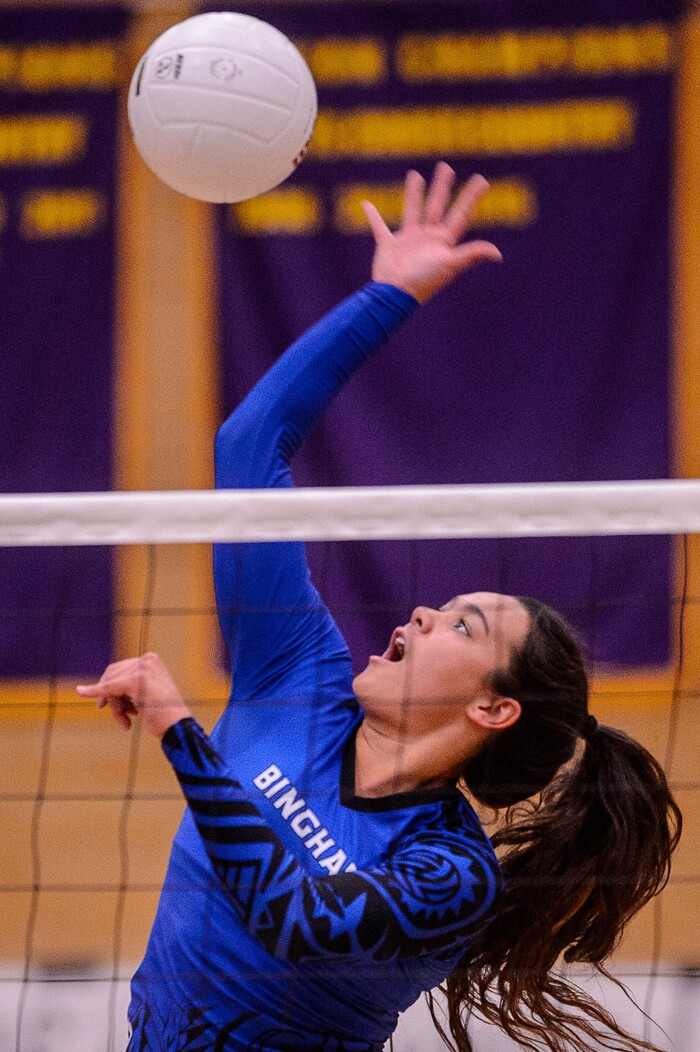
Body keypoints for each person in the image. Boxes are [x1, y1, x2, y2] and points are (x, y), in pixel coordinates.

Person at [77, 163, 681, 1052]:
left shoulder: (448, 873)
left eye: (462, 625)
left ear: (493, 707)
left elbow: (305, 922)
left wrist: (182, 733)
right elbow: (249, 447)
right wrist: (387, 297)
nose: (422, 617)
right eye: (441, 608)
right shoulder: (298, 674)